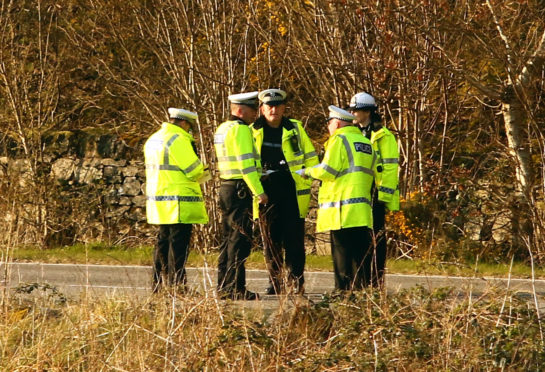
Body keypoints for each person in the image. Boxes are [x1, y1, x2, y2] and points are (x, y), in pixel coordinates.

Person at [298, 105, 375, 291]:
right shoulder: (365, 142)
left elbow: (328, 171)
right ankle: (362, 294)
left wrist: (307, 171)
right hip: (362, 209)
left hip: (342, 210)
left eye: (329, 123)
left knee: (342, 256)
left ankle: (341, 293)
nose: (328, 127)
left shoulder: (339, 140)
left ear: (337, 123)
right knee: (361, 257)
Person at [252, 88, 319, 295]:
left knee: (294, 241)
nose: (273, 109)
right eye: (269, 106)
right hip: (266, 189)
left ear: (284, 108)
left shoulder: (295, 129)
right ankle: (275, 283)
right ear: (262, 109)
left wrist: (306, 177)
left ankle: (296, 282)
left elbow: (311, 159)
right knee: (271, 240)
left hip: (291, 189)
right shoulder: (252, 130)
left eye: (277, 106)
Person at [144, 108, 210, 293]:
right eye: (189, 127)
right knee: (178, 245)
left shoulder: (153, 138)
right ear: (184, 123)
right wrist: (207, 170)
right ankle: (178, 285)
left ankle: (157, 284)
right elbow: (194, 169)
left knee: (162, 242)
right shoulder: (178, 139)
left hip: (159, 200)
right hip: (179, 200)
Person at [214, 92, 268, 300]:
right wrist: (259, 191)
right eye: (253, 109)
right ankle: (236, 288)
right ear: (240, 110)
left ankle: (224, 285)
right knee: (240, 241)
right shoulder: (241, 130)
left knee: (227, 240)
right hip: (239, 189)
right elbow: (246, 165)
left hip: (226, 187)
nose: (255, 114)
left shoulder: (223, 128)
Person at [349, 92, 400, 288]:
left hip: (374, 194)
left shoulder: (383, 135)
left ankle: (375, 281)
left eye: (356, 109)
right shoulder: (351, 132)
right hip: (357, 192)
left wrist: (383, 196)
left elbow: (389, 166)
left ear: (368, 111)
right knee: (358, 238)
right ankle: (359, 280)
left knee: (375, 240)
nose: (352, 112)